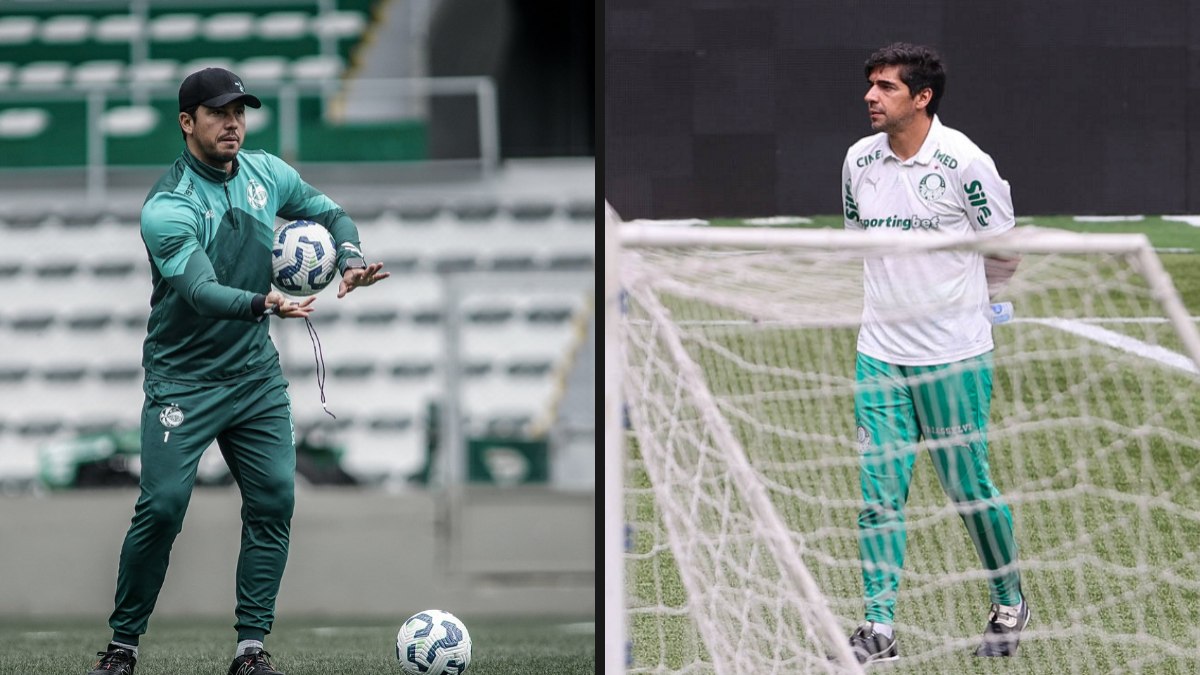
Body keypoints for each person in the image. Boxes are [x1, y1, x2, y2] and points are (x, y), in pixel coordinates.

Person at [85, 67, 390, 675]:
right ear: (187, 122)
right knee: (165, 506)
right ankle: (122, 647)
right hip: (183, 380)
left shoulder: (267, 173)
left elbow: (332, 214)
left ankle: (251, 650)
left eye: (240, 112)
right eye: (220, 112)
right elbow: (200, 291)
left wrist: (350, 256)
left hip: (254, 377)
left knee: (275, 497)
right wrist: (265, 302)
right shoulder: (167, 207)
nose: (233, 123)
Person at [838, 43, 1026, 664]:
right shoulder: (858, 162)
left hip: (953, 354)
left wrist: (973, 308)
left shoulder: (965, 163)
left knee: (967, 487)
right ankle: (878, 626)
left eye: (887, 87)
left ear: (922, 98)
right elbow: (856, 240)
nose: (871, 95)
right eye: (871, 84)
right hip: (879, 353)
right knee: (879, 492)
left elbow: (1003, 252)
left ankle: (1009, 601)